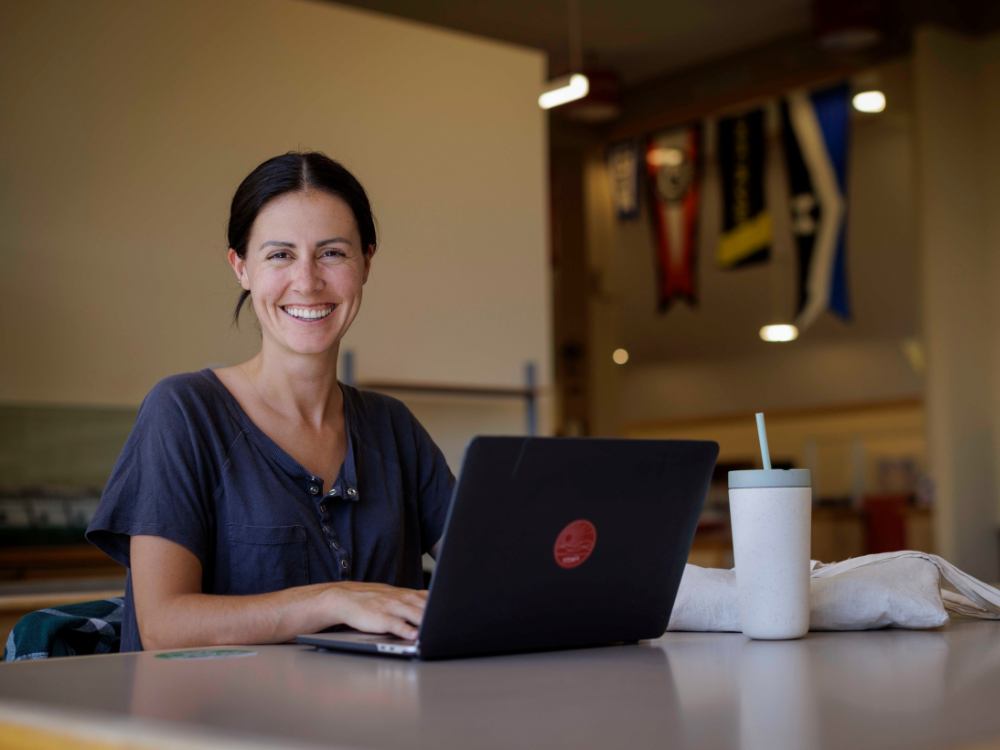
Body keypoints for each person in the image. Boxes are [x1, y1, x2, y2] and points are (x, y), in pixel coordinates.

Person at [87, 152, 453, 652]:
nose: (307, 281)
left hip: (377, 726)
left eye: (332, 253)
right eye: (280, 255)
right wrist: (333, 600)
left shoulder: (394, 427)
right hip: (218, 729)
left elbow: (487, 576)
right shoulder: (184, 412)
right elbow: (162, 624)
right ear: (241, 268)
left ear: (366, 262)